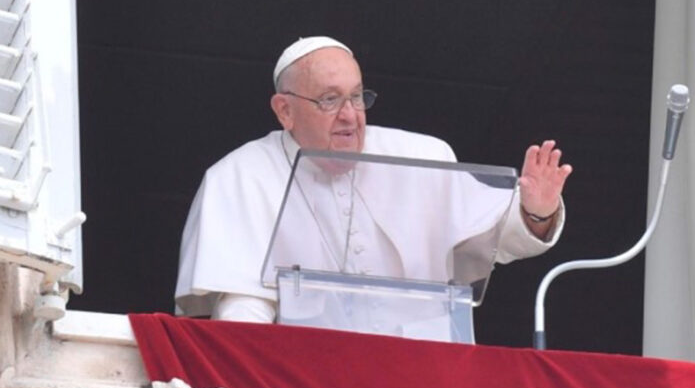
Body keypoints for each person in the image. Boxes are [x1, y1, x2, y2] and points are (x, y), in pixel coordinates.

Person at [175, 36, 572, 325]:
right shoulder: (240, 176)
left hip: (418, 367)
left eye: (357, 97)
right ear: (285, 111)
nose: (350, 115)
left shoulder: (422, 157)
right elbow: (241, 308)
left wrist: (534, 212)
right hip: (301, 374)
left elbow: (491, 240)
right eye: (329, 100)